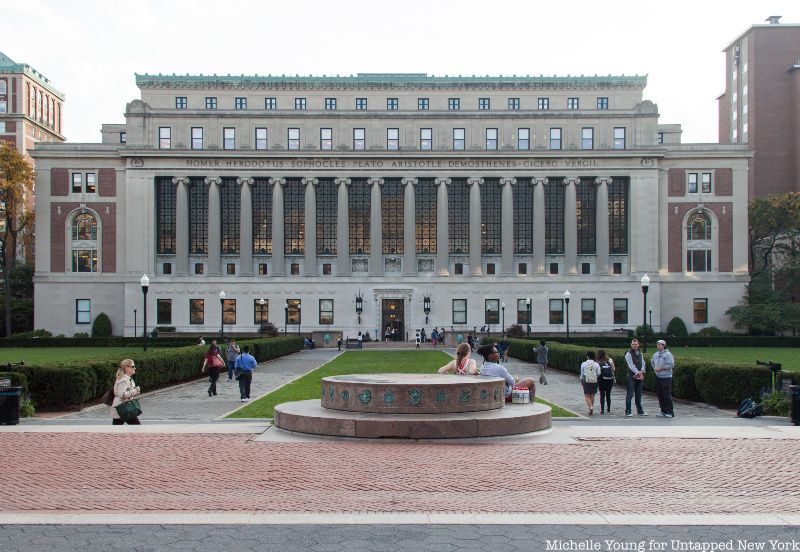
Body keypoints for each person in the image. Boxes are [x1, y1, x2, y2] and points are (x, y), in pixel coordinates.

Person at [111, 359, 141, 425]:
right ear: (126, 368)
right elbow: (121, 395)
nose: (135, 368)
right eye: (133, 366)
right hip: (123, 408)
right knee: (137, 428)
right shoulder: (123, 381)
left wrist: (135, 392)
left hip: (122, 408)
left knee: (116, 431)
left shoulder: (128, 379)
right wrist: (135, 391)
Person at [652, 339, 675, 418]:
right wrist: (655, 368)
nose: (658, 346)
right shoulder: (655, 354)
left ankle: (670, 412)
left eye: (659, 344)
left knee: (666, 395)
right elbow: (652, 362)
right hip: (658, 377)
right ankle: (663, 410)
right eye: (657, 344)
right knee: (660, 395)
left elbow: (671, 365)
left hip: (666, 377)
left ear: (663, 345)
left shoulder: (668, 354)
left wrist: (661, 368)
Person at [624, 339, 647, 417]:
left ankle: (640, 411)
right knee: (630, 394)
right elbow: (631, 365)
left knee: (639, 394)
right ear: (631, 345)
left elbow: (643, 363)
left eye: (635, 344)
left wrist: (642, 372)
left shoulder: (640, 353)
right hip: (631, 376)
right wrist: (638, 373)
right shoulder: (628, 353)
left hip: (639, 376)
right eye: (633, 344)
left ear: (638, 345)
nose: (634, 345)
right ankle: (628, 411)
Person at [580, 351, 601, 415]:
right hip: (594, 381)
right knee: (592, 395)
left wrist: (581, 380)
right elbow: (599, 373)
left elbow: (582, 373)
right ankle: (591, 407)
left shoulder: (584, 364)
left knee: (586, 395)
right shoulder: (596, 364)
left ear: (587, 356)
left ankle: (590, 407)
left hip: (586, 380)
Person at [597, 349, 616, 414]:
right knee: (608, 394)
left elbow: (598, 372)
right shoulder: (609, 360)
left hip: (602, 380)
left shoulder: (597, 362)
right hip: (609, 380)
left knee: (602, 395)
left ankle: (602, 410)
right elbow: (613, 370)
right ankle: (609, 409)